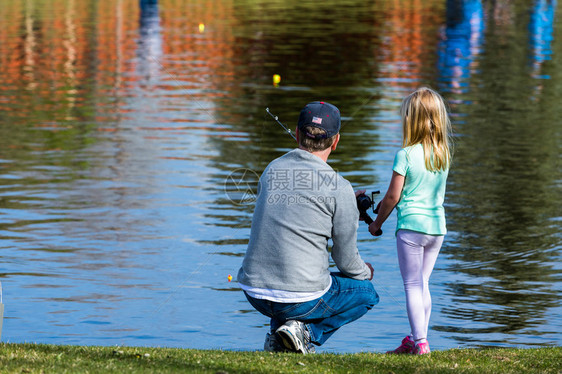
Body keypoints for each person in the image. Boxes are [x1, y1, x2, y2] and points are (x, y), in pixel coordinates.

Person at [237, 101, 379, 354]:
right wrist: (365, 272)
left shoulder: (271, 170)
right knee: (367, 293)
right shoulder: (339, 187)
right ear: (335, 141)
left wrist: (344, 206)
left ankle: (278, 338)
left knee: (292, 278)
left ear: (297, 132)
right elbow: (345, 260)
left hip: (254, 291)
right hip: (298, 298)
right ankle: (307, 334)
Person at [368, 87, 452, 355]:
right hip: (436, 228)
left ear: (411, 120)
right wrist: (389, 202)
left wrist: (376, 223)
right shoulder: (442, 153)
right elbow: (413, 190)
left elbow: (393, 196)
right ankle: (417, 338)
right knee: (423, 283)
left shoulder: (404, 154)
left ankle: (421, 343)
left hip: (411, 229)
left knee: (413, 285)